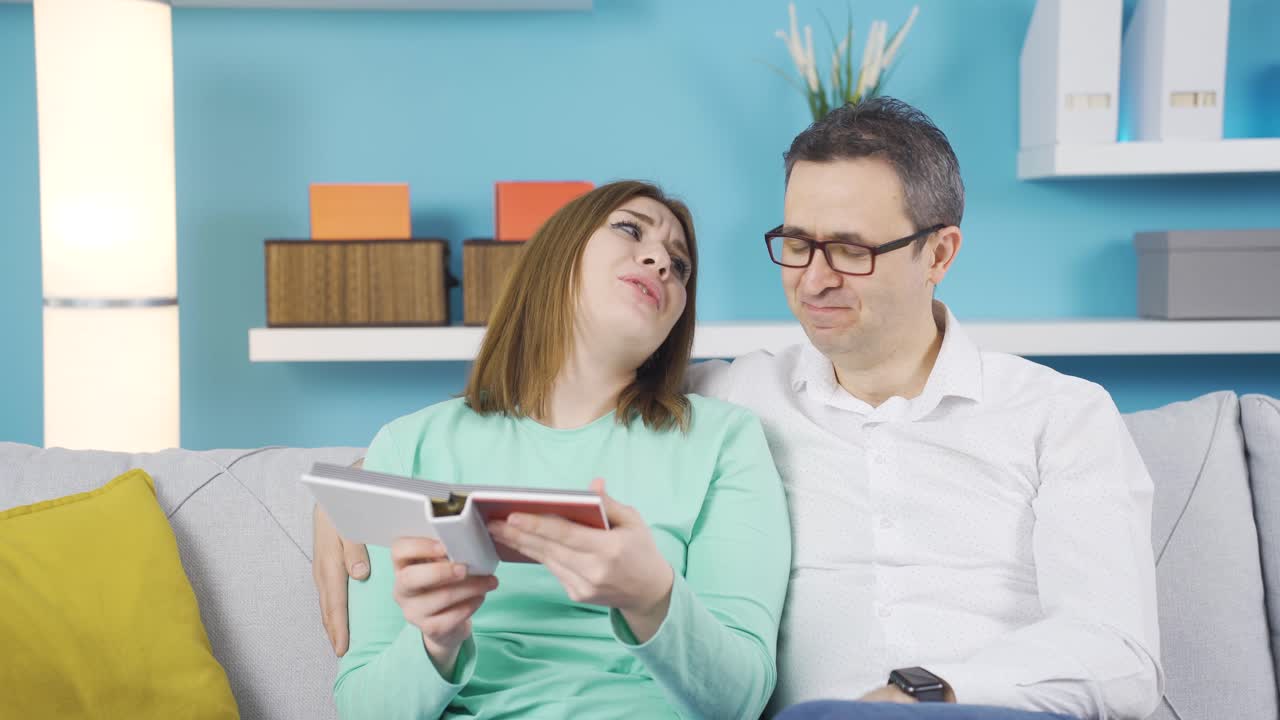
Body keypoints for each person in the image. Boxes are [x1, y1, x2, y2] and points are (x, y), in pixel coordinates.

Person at [316, 99, 1162, 720]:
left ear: (939, 252)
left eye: (853, 250)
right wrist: (354, 493)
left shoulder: (1063, 415)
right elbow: (574, 395)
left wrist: (919, 692)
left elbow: (1120, 658)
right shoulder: (736, 399)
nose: (815, 278)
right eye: (795, 244)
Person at [327, 180, 792, 719]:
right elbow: (362, 708)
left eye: (680, 264)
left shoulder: (723, 440)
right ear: (557, 253)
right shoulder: (408, 445)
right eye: (630, 229)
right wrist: (436, 643)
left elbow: (740, 700)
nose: (660, 261)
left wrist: (653, 599)